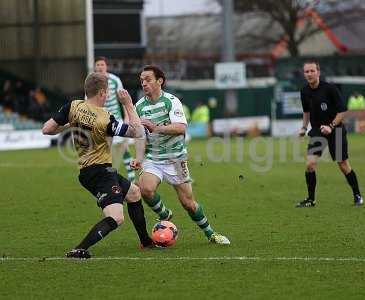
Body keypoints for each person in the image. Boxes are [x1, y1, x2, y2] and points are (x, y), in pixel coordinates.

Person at [42, 72, 155, 259]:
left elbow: (47, 129)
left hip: (89, 170)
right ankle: (79, 249)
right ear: (102, 93)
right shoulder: (105, 118)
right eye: (108, 92)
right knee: (116, 217)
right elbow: (137, 132)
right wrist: (127, 104)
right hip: (100, 172)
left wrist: (72, 125)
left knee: (134, 193)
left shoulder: (73, 106)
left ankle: (146, 242)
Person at [132, 65, 230, 244]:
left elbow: (181, 128)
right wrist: (138, 158)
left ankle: (211, 234)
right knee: (144, 189)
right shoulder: (139, 106)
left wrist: (156, 128)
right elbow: (140, 136)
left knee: (189, 204)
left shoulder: (172, 101)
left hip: (175, 159)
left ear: (159, 81)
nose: (143, 83)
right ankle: (165, 214)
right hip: (153, 158)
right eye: (141, 80)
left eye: (148, 79)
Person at [296, 61, 364, 207]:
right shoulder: (304, 91)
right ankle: (311, 199)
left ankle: (357, 195)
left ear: (318, 72)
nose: (309, 74)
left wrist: (331, 126)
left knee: (343, 164)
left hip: (336, 131)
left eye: (312, 71)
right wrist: (303, 127)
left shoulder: (330, 89)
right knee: (310, 164)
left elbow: (342, 111)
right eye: (306, 72)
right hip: (317, 133)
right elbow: (306, 111)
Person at [94, 56, 136, 182]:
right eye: (98, 65)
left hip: (116, 120)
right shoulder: (92, 81)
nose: (100, 67)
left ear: (106, 66)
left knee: (124, 148)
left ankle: (132, 178)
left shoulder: (114, 80)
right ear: (95, 67)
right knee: (105, 151)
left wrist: (127, 117)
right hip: (101, 122)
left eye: (102, 64)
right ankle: (109, 178)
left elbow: (123, 98)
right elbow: (87, 102)